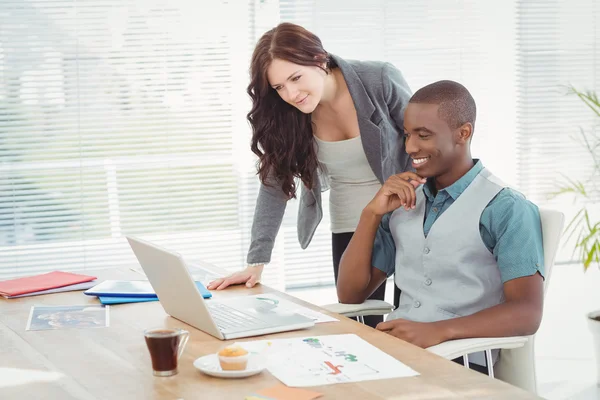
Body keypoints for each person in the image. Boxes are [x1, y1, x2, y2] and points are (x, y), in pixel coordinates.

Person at [208, 23, 414, 327]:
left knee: (408, 319)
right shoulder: (288, 114)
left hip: (408, 213)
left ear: (319, 59)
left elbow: (425, 138)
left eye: (295, 78)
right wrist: (256, 262)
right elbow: (273, 186)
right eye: (279, 87)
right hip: (352, 225)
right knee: (360, 324)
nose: (290, 93)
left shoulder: (378, 79)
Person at [336, 80, 545, 373]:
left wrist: (438, 330)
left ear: (463, 133)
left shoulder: (505, 207)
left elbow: (527, 312)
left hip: (463, 360)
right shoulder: (403, 201)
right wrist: (371, 213)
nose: (410, 147)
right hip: (396, 351)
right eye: (407, 134)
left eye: (423, 135)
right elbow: (350, 294)